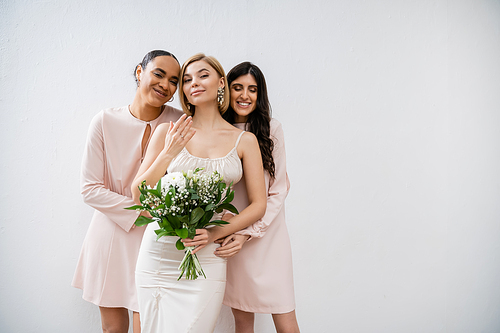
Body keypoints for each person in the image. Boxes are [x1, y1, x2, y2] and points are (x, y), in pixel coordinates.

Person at [131, 53, 267, 333]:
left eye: (202, 75)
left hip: (208, 254)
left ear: (221, 83)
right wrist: (169, 151)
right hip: (159, 253)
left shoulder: (244, 140)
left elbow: (259, 205)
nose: (193, 83)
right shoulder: (167, 132)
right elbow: (139, 194)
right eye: (187, 79)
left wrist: (215, 233)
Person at [72, 50, 183, 333]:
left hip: (158, 240)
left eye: (174, 80)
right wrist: (140, 212)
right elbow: (90, 189)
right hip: (110, 236)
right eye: (158, 74)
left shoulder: (180, 123)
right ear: (139, 72)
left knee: (149, 326)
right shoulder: (104, 121)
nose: (165, 85)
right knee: (112, 329)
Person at [216, 62, 300, 333]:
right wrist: (230, 228)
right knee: (242, 321)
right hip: (232, 237)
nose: (244, 95)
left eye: (252, 89)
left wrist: (249, 231)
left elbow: (279, 189)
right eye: (237, 87)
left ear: (260, 94)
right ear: (226, 90)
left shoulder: (271, 128)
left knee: (286, 321)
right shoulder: (218, 130)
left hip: (268, 236)